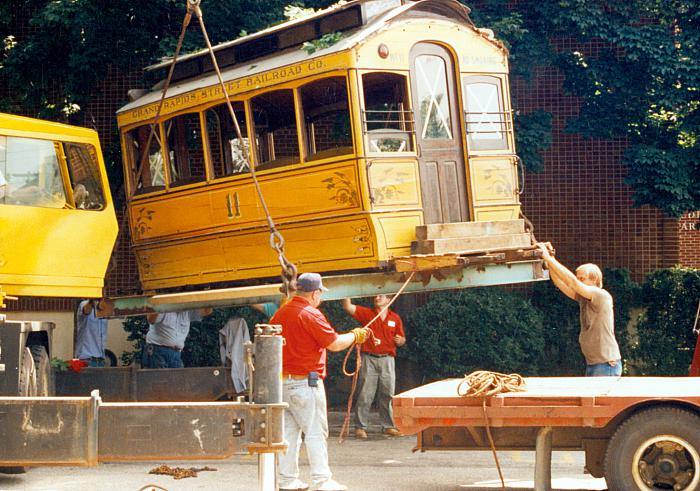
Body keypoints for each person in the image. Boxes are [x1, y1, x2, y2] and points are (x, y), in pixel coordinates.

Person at [271, 272, 372, 491]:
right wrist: (356, 335)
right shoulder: (310, 314)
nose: (321, 299)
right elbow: (334, 343)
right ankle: (322, 480)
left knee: (289, 434)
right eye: (320, 294)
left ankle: (287, 480)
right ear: (315, 293)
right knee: (316, 432)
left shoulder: (280, 313)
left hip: (281, 383)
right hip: (305, 384)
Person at [537, 243, 622, 376]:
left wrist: (548, 258)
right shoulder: (583, 298)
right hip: (594, 363)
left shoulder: (601, 295)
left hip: (606, 364)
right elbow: (560, 283)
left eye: (582, 279)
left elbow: (572, 283)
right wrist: (550, 260)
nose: (578, 281)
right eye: (578, 278)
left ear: (594, 280)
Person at [342, 295, 405, 439]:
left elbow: (402, 339)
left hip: (388, 360)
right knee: (365, 393)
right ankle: (360, 427)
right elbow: (347, 307)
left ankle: (388, 426)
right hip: (368, 358)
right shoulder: (367, 314)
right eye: (376, 295)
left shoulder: (395, 318)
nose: (377, 298)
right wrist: (346, 292)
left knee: (388, 394)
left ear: (389, 300)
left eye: (381, 296)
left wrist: (400, 340)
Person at [143, 308, 213, 368]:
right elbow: (151, 319)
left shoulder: (187, 311)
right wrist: (158, 302)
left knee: (178, 381)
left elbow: (207, 311)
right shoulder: (164, 308)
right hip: (157, 351)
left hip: (176, 354)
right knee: (159, 382)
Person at [75, 299, 108, 367]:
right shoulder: (84, 304)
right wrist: (92, 300)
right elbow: (86, 310)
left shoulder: (104, 307)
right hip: (86, 360)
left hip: (100, 360)